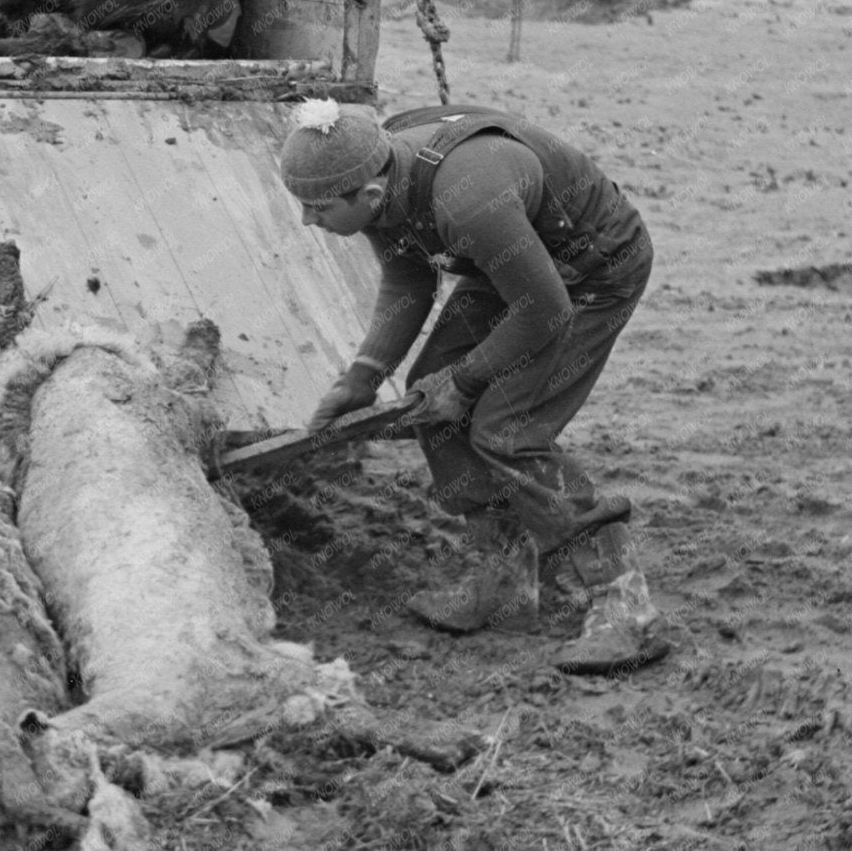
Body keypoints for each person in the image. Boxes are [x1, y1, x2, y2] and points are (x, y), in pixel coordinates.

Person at [280, 98, 664, 673]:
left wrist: (466, 379)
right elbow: (409, 274)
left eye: (318, 209)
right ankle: (504, 581)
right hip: (508, 263)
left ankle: (626, 609)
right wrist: (363, 378)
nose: (309, 221)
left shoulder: (469, 199)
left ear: (370, 196)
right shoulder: (379, 170)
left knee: (508, 430)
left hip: (592, 272)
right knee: (428, 403)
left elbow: (543, 310)